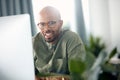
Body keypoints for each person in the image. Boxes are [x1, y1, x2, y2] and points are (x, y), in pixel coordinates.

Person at [33, 6, 86, 79]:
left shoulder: (71, 39)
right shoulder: (33, 43)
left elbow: (77, 76)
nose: (46, 29)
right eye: (42, 24)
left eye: (51, 23)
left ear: (60, 23)